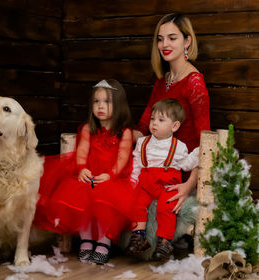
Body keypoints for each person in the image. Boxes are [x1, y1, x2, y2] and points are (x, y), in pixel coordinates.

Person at [35, 79, 135, 265]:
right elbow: (81, 151)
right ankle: (86, 239)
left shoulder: (124, 132)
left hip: (111, 178)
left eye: (107, 102)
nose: (100, 106)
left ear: (119, 104)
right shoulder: (89, 128)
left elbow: (123, 157)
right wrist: (82, 169)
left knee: (106, 201)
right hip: (89, 174)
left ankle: (104, 241)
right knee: (79, 197)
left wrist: (110, 175)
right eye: (96, 102)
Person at [134, 13, 210, 215]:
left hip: (182, 170)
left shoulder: (194, 82)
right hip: (156, 166)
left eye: (172, 38)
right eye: (160, 39)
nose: (164, 44)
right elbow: (142, 127)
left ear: (187, 41)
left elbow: (206, 142)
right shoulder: (162, 81)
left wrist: (190, 184)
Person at [125, 98, 199, 260]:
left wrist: (197, 154)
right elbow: (137, 163)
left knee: (165, 208)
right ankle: (138, 237)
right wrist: (133, 181)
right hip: (145, 183)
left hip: (167, 185)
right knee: (137, 203)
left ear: (175, 126)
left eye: (160, 120)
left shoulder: (178, 146)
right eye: (152, 119)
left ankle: (165, 242)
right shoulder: (143, 142)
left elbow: (186, 164)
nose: (154, 123)